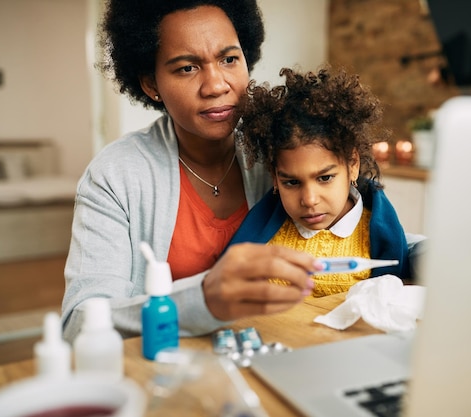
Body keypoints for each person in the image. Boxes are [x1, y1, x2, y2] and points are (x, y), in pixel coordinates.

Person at [62, 0, 424, 342]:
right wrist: (202, 301)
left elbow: (378, 236)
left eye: (229, 59)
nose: (217, 85)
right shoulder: (115, 176)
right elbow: (80, 322)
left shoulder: (281, 153)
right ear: (151, 84)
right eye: (187, 68)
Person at [228, 67, 415, 297]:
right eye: (291, 183)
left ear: (353, 164)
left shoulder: (378, 236)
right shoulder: (261, 232)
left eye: (325, 178)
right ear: (274, 177)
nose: (309, 200)